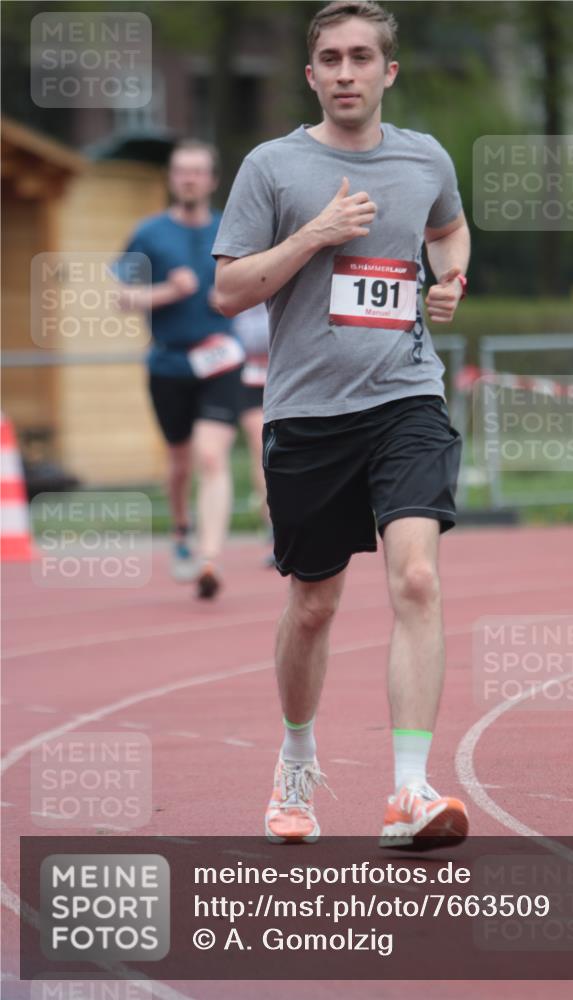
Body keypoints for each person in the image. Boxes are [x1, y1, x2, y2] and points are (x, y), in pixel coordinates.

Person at [212, 0, 471, 848]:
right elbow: (231, 289)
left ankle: (409, 792)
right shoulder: (272, 168)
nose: (348, 72)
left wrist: (449, 279)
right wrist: (315, 234)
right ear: (312, 74)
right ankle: (295, 762)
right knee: (315, 604)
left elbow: (448, 228)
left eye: (363, 57)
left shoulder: (424, 158)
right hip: (309, 413)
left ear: (388, 72)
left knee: (418, 581)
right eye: (331, 58)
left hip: (405, 396)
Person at [117, 139, 244, 600]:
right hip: (168, 360)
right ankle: (180, 529)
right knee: (179, 463)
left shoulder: (231, 230)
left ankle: (209, 559)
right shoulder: (148, 234)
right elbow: (122, 297)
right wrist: (167, 292)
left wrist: (233, 297)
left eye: (197, 172)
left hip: (220, 357)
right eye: (181, 171)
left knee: (211, 456)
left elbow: (259, 284)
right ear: (172, 179)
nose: (189, 179)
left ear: (212, 180)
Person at [234, 303, 276, 567]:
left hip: (287, 370)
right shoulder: (231, 265)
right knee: (262, 447)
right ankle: (273, 525)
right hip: (249, 374)